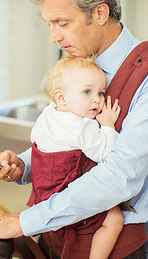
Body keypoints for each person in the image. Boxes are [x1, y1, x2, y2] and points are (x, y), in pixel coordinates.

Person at [0, 0, 148, 258]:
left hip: (114, 241)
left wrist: (25, 221)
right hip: (57, 230)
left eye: (62, 23)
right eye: (49, 24)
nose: (54, 37)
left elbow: (121, 175)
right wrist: (25, 165)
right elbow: (70, 137)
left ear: (100, 13)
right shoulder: (79, 66)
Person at [29, 54, 123, 259]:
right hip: (64, 196)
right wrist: (107, 126)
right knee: (115, 219)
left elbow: (35, 138)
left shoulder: (47, 114)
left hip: (42, 194)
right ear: (61, 97)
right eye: (87, 92)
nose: (97, 100)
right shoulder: (83, 126)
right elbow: (105, 153)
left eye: (101, 92)